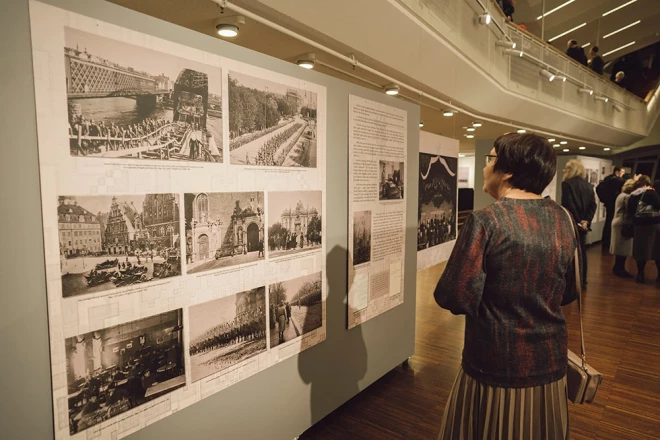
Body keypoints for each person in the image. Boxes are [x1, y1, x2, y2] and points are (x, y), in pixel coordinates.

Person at [434, 133, 578, 440]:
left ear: (508, 170)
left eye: (490, 159)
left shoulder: (487, 221)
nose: (485, 168)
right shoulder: (563, 218)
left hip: (496, 364)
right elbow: (569, 292)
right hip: (550, 362)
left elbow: (454, 296)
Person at [562, 159, 597, 288]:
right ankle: (582, 280)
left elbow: (568, 205)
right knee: (582, 251)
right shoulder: (588, 185)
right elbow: (593, 205)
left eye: (566, 168)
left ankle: (571, 282)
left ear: (571, 170)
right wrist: (586, 221)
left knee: (571, 252)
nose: (563, 171)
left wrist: (577, 221)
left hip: (572, 223)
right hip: (583, 225)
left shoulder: (567, 184)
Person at [626, 176, 660, 285]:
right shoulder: (651, 194)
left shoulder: (633, 195)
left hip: (639, 227)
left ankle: (640, 274)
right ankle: (659, 277)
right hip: (654, 226)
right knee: (656, 251)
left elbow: (630, 211)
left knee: (640, 251)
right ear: (646, 184)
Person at [610, 179, 636, 277]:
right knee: (623, 247)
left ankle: (618, 267)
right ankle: (620, 268)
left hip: (617, 221)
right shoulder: (627, 197)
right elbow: (630, 210)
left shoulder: (620, 195)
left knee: (619, 246)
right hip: (624, 223)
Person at [596, 167, 625, 251]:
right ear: (617, 172)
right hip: (613, 204)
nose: (623, 174)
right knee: (610, 222)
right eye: (622, 172)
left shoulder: (607, 180)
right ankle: (608, 243)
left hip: (609, 204)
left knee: (608, 222)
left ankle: (606, 243)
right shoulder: (615, 180)